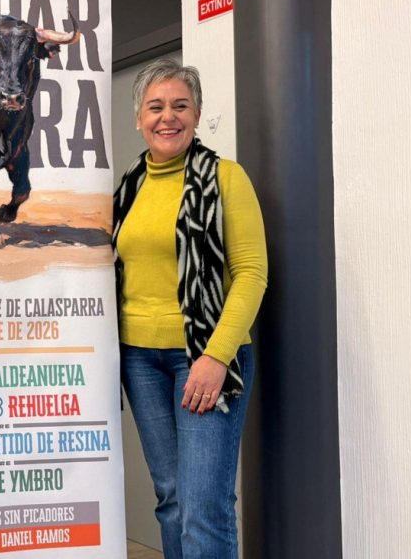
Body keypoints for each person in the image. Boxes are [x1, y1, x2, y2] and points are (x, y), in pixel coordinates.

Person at [112, 59, 267, 559]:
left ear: (197, 114)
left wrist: (216, 357)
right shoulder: (128, 187)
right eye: (155, 106)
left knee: (205, 506)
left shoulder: (225, 177)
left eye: (180, 105)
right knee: (172, 500)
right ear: (139, 117)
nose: (167, 117)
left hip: (203, 359)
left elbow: (251, 274)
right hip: (139, 358)